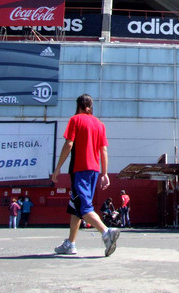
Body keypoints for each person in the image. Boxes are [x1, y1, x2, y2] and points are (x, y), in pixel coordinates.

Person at [51, 93, 120, 257]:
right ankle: (70, 243)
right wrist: (105, 173)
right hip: (94, 171)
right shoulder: (100, 124)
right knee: (76, 207)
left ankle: (106, 232)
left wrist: (57, 168)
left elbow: (69, 144)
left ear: (78, 105)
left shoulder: (75, 120)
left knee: (83, 207)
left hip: (79, 170)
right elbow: (103, 150)